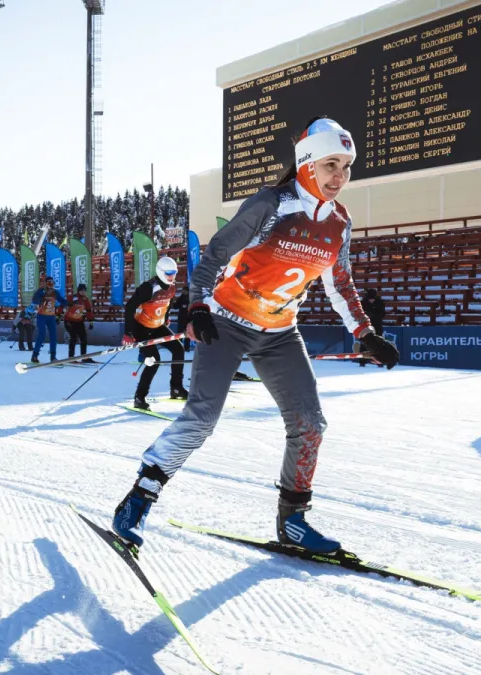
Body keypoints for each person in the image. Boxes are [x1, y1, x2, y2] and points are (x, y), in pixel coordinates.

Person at [111, 117, 400, 555]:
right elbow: (216, 252)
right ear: (306, 163)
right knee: (203, 418)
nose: (339, 176)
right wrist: (196, 306)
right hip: (227, 323)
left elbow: (340, 285)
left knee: (309, 424)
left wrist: (366, 333)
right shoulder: (272, 204)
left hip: (281, 333)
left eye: (346, 166)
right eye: (330, 165)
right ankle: (138, 498)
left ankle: (293, 522)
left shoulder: (340, 222)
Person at [125, 256, 187, 410]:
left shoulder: (172, 286)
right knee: (154, 360)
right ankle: (139, 397)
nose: (172, 276)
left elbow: (169, 302)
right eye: (168, 273)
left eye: (174, 272)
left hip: (157, 326)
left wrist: (165, 318)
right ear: (160, 272)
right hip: (142, 329)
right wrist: (128, 332)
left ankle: (176, 388)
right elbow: (130, 307)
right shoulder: (148, 287)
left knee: (178, 349)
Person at [29, 277, 66, 364]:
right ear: (45, 284)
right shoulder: (41, 291)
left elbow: (61, 300)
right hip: (42, 316)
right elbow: (34, 300)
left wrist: (68, 304)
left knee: (53, 337)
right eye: (49, 283)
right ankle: (35, 355)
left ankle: (53, 357)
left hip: (51, 317)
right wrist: (41, 299)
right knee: (42, 336)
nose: (50, 285)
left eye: (52, 283)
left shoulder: (55, 292)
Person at [64, 283, 96, 362]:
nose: (83, 292)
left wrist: (91, 321)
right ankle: (71, 357)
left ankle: (83, 356)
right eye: (82, 290)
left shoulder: (85, 299)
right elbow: (63, 305)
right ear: (78, 291)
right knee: (73, 338)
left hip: (79, 321)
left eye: (84, 291)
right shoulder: (73, 297)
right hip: (69, 321)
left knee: (84, 338)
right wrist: (58, 315)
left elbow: (89, 310)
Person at [359, 288, 386, 368]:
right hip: (366, 326)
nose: (371, 300)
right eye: (370, 299)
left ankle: (379, 361)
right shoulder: (363, 303)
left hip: (377, 325)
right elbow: (360, 314)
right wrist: (367, 315)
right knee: (364, 343)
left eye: (373, 299)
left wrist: (374, 315)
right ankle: (362, 361)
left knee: (378, 343)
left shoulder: (380, 302)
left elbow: (383, 314)